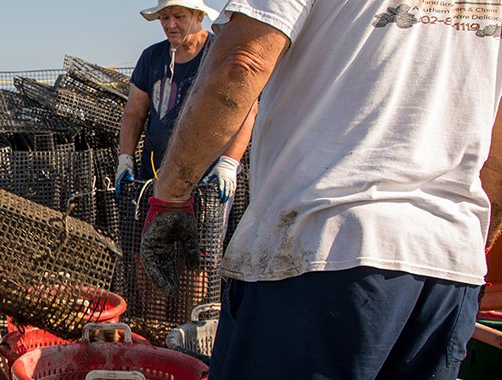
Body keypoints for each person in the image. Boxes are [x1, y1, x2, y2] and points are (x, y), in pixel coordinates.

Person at [141, 0, 496, 378]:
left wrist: (171, 199)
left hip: (323, 248)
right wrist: (478, 236)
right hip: (449, 262)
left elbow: (242, 63)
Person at [115, 0, 254, 204]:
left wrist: (229, 162)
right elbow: (134, 111)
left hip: (207, 178)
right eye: (165, 18)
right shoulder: (151, 57)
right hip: (156, 173)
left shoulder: (220, 53)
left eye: (179, 17)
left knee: (201, 235)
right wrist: (125, 158)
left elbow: (247, 109)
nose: (171, 25)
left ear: (198, 16)